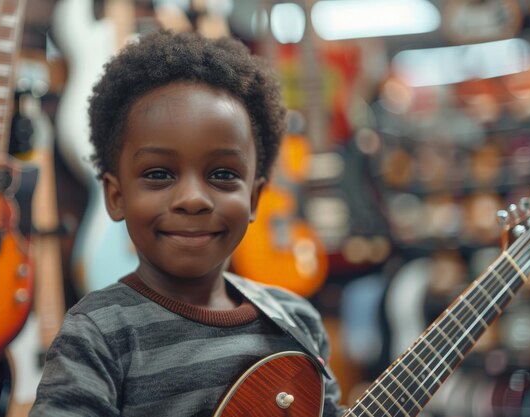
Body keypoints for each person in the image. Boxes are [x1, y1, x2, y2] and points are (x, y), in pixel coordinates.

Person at [29, 30, 344, 416]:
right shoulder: (98, 333)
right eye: (160, 174)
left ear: (254, 199)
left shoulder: (296, 320)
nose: (193, 199)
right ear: (116, 196)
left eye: (223, 174)